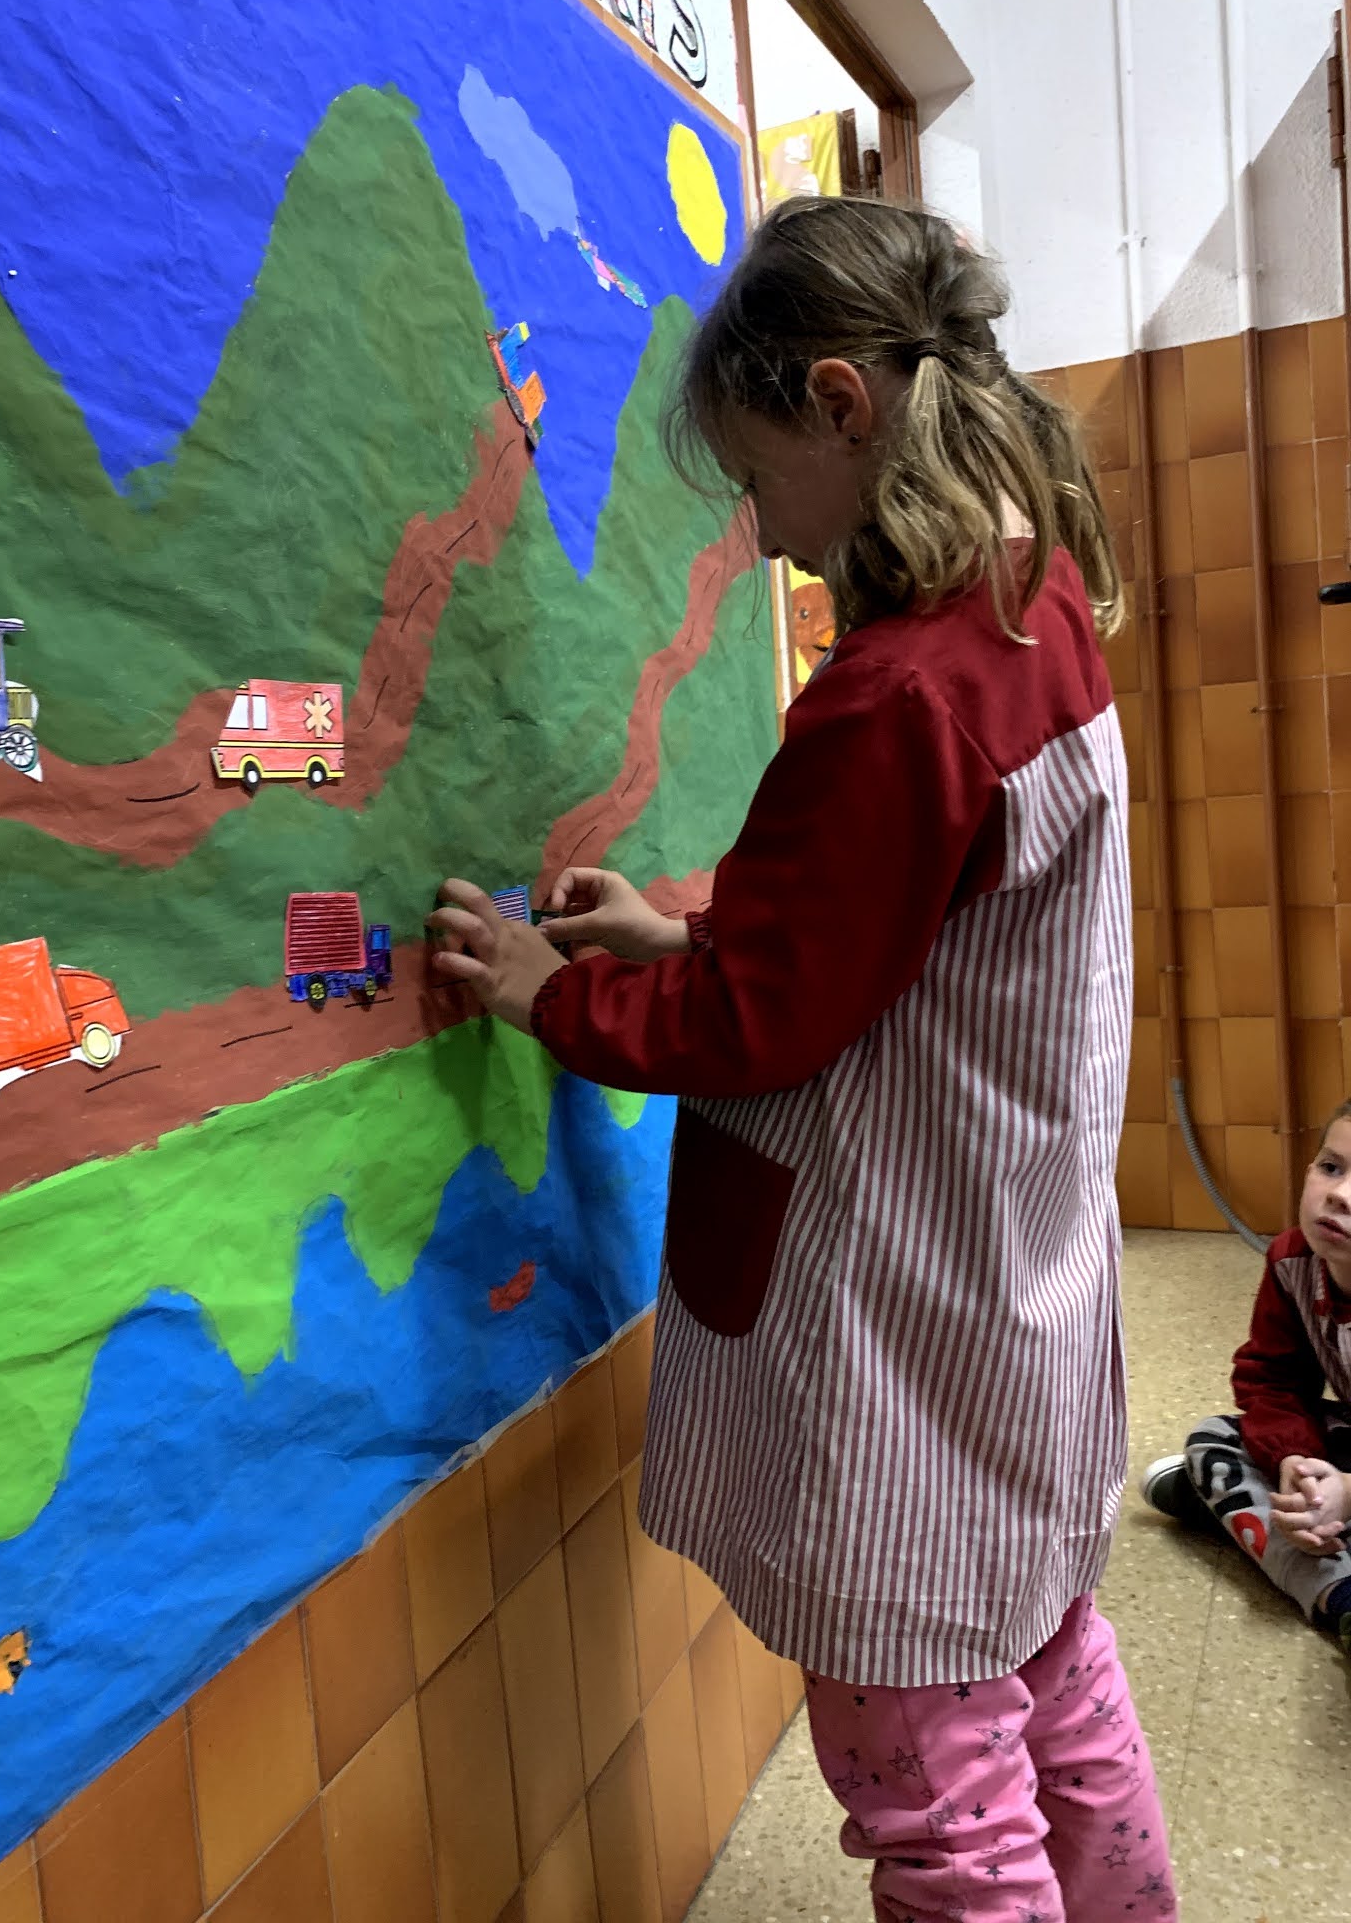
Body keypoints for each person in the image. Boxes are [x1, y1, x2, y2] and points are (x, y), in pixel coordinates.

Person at [429, 198, 1175, 1920]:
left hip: (906, 1341)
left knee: (938, 1803)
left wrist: (548, 992)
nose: (760, 533)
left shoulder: (901, 695)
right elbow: (902, 945)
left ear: (841, 405)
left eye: (756, 482)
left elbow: (762, 1024)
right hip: (1014, 1289)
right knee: (1054, 1672)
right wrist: (677, 933)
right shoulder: (1031, 605)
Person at [1143, 1104, 1351, 1648]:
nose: (1340, 1195)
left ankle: (1243, 1520)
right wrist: (1297, 1465)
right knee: (1214, 1438)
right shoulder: (1292, 1261)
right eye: (1332, 1167)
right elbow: (1274, 1381)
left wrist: (1348, 1493)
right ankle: (1333, 1582)